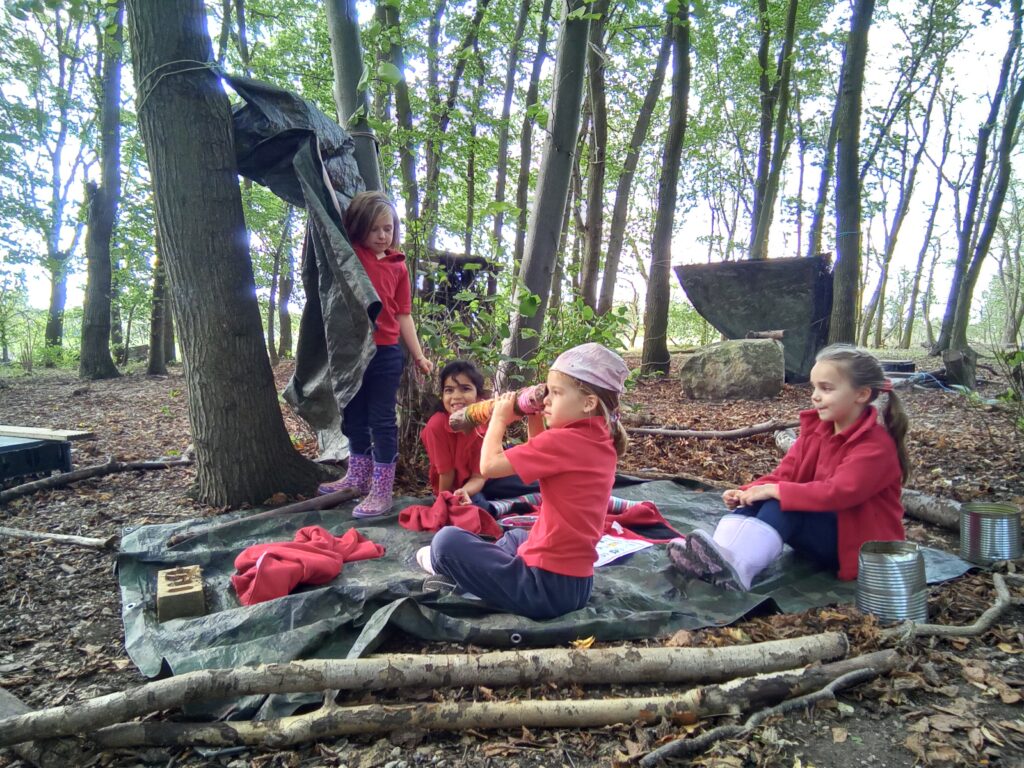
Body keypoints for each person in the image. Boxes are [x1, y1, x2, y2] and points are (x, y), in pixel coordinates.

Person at [669, 344, 910, 591]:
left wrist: (774, 491)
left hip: (855, 546)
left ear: (861, 394)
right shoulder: (817, 431)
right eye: (814, 387)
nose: (815, 395)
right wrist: (748, 492)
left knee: (781, 501)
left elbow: (838, 492)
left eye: (826, 389)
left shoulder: (875, 445)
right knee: (764, 498)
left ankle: (739, 571)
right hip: (826, 533)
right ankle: (716, 558)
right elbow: (786, 473)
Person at [416, 343, 630, 621]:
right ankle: (475, 573)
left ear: (588, 402)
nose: (548, 401)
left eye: (557, 393)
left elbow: (488, 466)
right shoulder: (599, 436)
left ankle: (451, 569)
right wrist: (533, 416)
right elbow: (543, 458)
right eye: (547, 392)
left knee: (445, 542)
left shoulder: (564, 441)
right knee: (518, 536)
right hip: (576, 583)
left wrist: (499, 418)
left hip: (544, 589)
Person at [318, 191, 433, 517]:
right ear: (358, 229)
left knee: (381, 420)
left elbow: (403, 314)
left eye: (389, 229)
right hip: (353, 353)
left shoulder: (398, 266)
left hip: (385, 354)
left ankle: (382, 489)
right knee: (353, 413)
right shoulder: (351, 256)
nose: (383, 236)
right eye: (375, 230)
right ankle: (357, 476)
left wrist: (419, 355)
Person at [420, 360, 536, 511]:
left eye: (465, 389)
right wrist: (444, 502)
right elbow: (446, 474)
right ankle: (505, 508)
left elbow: (479, 476)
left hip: (484, 480)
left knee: (535, 480)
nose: (456, 396)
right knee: (474, 509)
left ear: (478, 395)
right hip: (456, 488)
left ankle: (511, 504)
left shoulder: (484, 419)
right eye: (449, 390)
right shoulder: (436, 426)